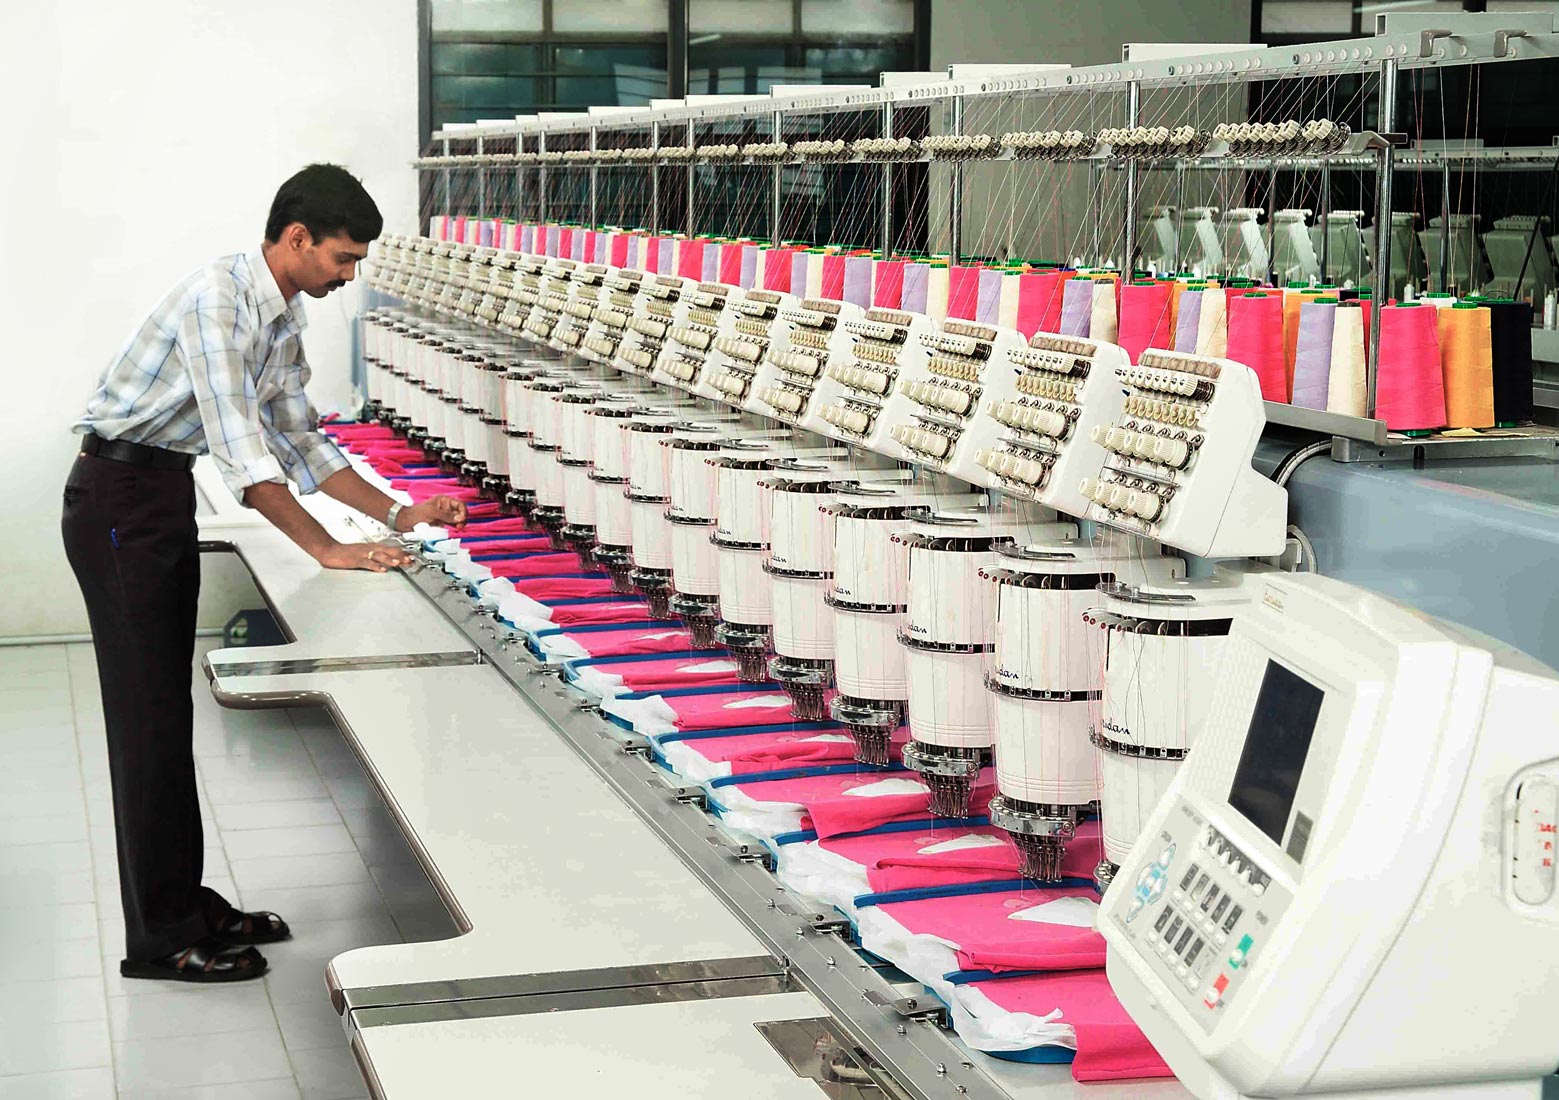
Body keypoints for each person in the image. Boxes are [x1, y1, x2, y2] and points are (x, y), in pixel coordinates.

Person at [62, 164, 466, 983]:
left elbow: (300, 440)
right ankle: (160, 938)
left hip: (156, 493)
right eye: (343, 259)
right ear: (297, 238)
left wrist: (397, 515)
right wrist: (325, 549)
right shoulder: (217, 300)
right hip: (118, 498)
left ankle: (185, 901)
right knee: (147, 723)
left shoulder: (279, 315)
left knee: (164, 714)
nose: (348, 276)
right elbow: (245, 457)